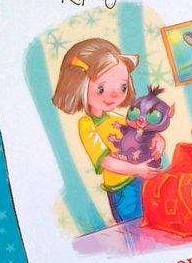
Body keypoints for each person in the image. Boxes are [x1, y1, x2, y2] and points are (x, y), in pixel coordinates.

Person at [52, 38, 162, 223]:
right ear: (79, 86)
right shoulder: (87, 124)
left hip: (143, 178)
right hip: (122, 188)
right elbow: (105, 160)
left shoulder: (116, 117)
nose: (114, 94)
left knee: (154, 220)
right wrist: (136, 169)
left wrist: (158, 140)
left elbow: (143, 133)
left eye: (122, 87)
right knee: (135, 226)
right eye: (101, 88)